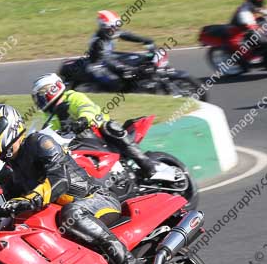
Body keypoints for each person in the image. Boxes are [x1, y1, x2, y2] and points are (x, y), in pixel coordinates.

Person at [0, 104, 149, 264]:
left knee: (72, 214)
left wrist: (32, 198)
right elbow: (15, 209)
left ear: (5, 128)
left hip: (95, 198)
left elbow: (60, 179)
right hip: (62, 216)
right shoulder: (10, 173)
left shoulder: (39, 142)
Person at [31, 73, 178, 182]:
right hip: (78, 142)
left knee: (110, 127)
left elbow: (87, 108)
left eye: (41, 94)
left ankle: (147, 164)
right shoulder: (49, 115)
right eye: (37, 97)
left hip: (97, 130)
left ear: (52, 89)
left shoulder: (72, 97)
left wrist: (83, 119)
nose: (38, 100)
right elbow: (50, 131)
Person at [85, 10, 155, 90]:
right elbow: (106, 59)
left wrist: (144, 40)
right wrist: (123, 67)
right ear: (104, 27)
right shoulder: (98, 42)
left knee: (136, 61)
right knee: (117, 82)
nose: (116, 29)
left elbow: (126, 35)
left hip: (109, 58)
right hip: (98, 66)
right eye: (113, 27)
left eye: (116, 26)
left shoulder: (110, 32)